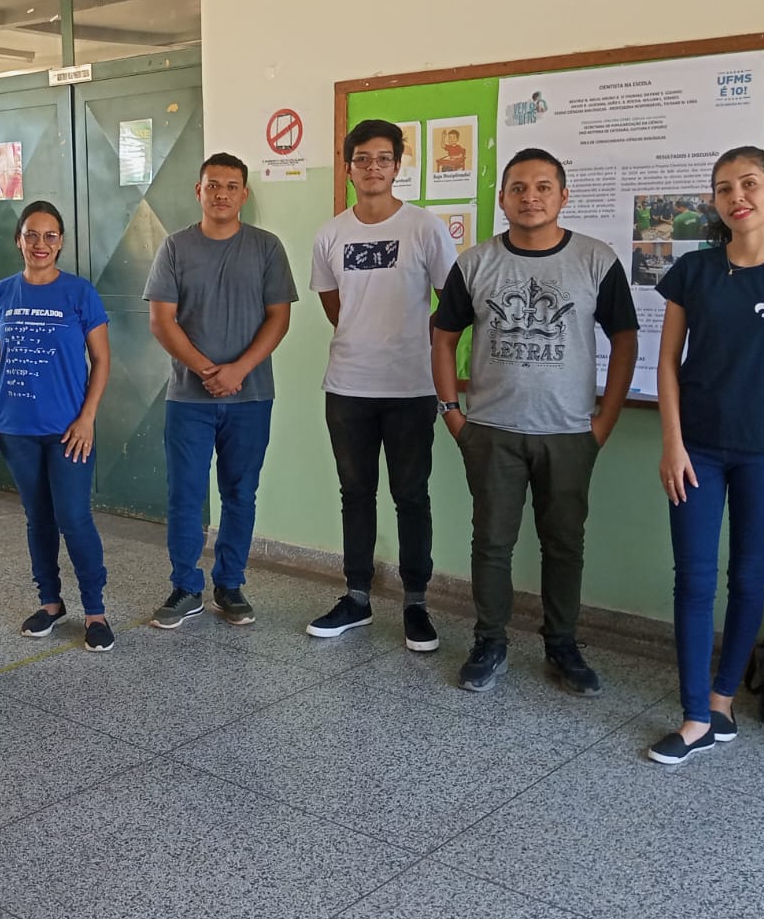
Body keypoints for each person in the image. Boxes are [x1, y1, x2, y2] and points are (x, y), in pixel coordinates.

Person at [647, 147, 764, 764]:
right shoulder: (694, 271)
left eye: (749, 184)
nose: (737, 197)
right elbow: (667, 364)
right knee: (694, 579)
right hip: (696, 449)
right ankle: (694, 716)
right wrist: (672, 442)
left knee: (749, 575)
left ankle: (723, 700)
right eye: (724, 188)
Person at [431, 147, 638, 695]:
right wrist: (452, 412)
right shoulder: (475, 263)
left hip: (569, 433)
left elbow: (625, 339)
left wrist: (604, 420)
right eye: (518, 188)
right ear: (502, 199)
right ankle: (489, 641)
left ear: (563, 196)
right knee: (491, 543)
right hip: (491, 431)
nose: (530, 197)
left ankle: (562, 644)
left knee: (564, 545)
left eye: (543, 187)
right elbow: (443, 338)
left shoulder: (596, 260)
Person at [307, 120, 456, 649]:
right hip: (348, 386)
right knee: (355, 494)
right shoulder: (330, 234)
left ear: (397, 166)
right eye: (363, 159)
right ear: (348, 167)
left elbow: (452, 304)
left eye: (384, 158)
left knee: (411, 495)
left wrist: (413, 343)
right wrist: (364, 335)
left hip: (411, 387)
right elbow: (334, 306)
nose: (373, 167)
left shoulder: (424, 227)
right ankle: (357, 598)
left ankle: (416, 603)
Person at [145, 153, 298, 629]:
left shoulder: (267, 248)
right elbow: (161, 320)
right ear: (199, 190)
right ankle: (185, 587)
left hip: (251, 397)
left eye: (232, 186)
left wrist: (239, 371)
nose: (222, 194)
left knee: (240, 493)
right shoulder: (175, 248)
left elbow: (279, 317)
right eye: (213, 185)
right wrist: (208, 370)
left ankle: (230, 585)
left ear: (244, 194)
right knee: (185, 495)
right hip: (188, 399)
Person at [0, 201, 115, 652]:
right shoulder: (1, 294)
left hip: (69, 431)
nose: (40, 244)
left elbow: (102, 360)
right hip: (15, 429)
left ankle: (95, 611)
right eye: (31, 235)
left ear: (61, 242)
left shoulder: (79, 293)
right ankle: (50, 603)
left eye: (50, 235)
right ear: (18, 239)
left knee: (73, 517)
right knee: (38, 518)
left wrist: (88, 418)